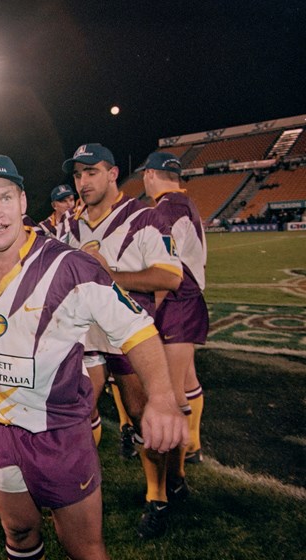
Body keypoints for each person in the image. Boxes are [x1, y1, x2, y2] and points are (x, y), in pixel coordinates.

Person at [0, 153, 187, 560]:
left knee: (83, 547)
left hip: (59, 433)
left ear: (23, 202)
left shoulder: (71, 266)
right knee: (19, 531)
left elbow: (138, 330)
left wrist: (164, 398)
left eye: (5, 198)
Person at [58, 143, 185, 538]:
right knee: (74, 413)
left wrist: (107, 278)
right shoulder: (69, 225)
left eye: (91, 172)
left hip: (128, 337)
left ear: (113, 173)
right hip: (84, 338)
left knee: (145, 414)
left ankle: (159, 495)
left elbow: (170, 276)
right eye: (77, 175)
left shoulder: (144, 217)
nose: (83, 182)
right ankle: (72, 488)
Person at [138, 151, 209, 480]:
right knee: (188, 379)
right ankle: (193, 444)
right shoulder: (186, 203)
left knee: (172, 390)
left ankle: (176, 474)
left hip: (178, 302)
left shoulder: (165, 209)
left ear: (149, 175)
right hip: (191, 300)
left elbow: (168, 271)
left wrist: (153, 308)